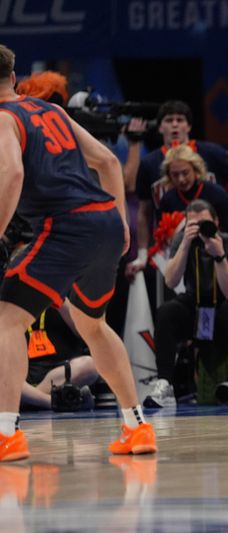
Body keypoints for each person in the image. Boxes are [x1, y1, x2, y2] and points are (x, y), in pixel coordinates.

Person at [0, 44, 155, 462]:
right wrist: (121, 222)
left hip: (65, 226)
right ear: (13, 78)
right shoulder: (51, 111)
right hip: (105, 223)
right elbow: (107, 161)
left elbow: (12, 174)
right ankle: (137, 426)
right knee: (93, 325)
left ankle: (6, 434)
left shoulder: (3, 119)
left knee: (6, 319)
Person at [128, 100, 228, 277]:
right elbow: (144, 212)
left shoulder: (211, 156)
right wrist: (143, 254)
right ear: (160, 127)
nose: (174, 124)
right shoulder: (151, 168)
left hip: (214, 244)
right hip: (172, 249)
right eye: (169, 120)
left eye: (180, 120)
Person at [145, 200, 228, 407]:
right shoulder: (183, 240)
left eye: (204, 223)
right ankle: (165, 383)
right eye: (193, 224)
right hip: (195, 305)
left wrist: (219, 255)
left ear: (216, 222)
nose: (199, 229)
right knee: (167, 311)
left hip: (224, 309)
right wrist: (185, 245)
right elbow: (170, 281)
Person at [157, 145, 228, 235]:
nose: (181, 179)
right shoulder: (167, 200)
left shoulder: (217, 194)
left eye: (185, 173)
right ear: (169, 175)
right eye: (175, 175)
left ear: (195, 170)